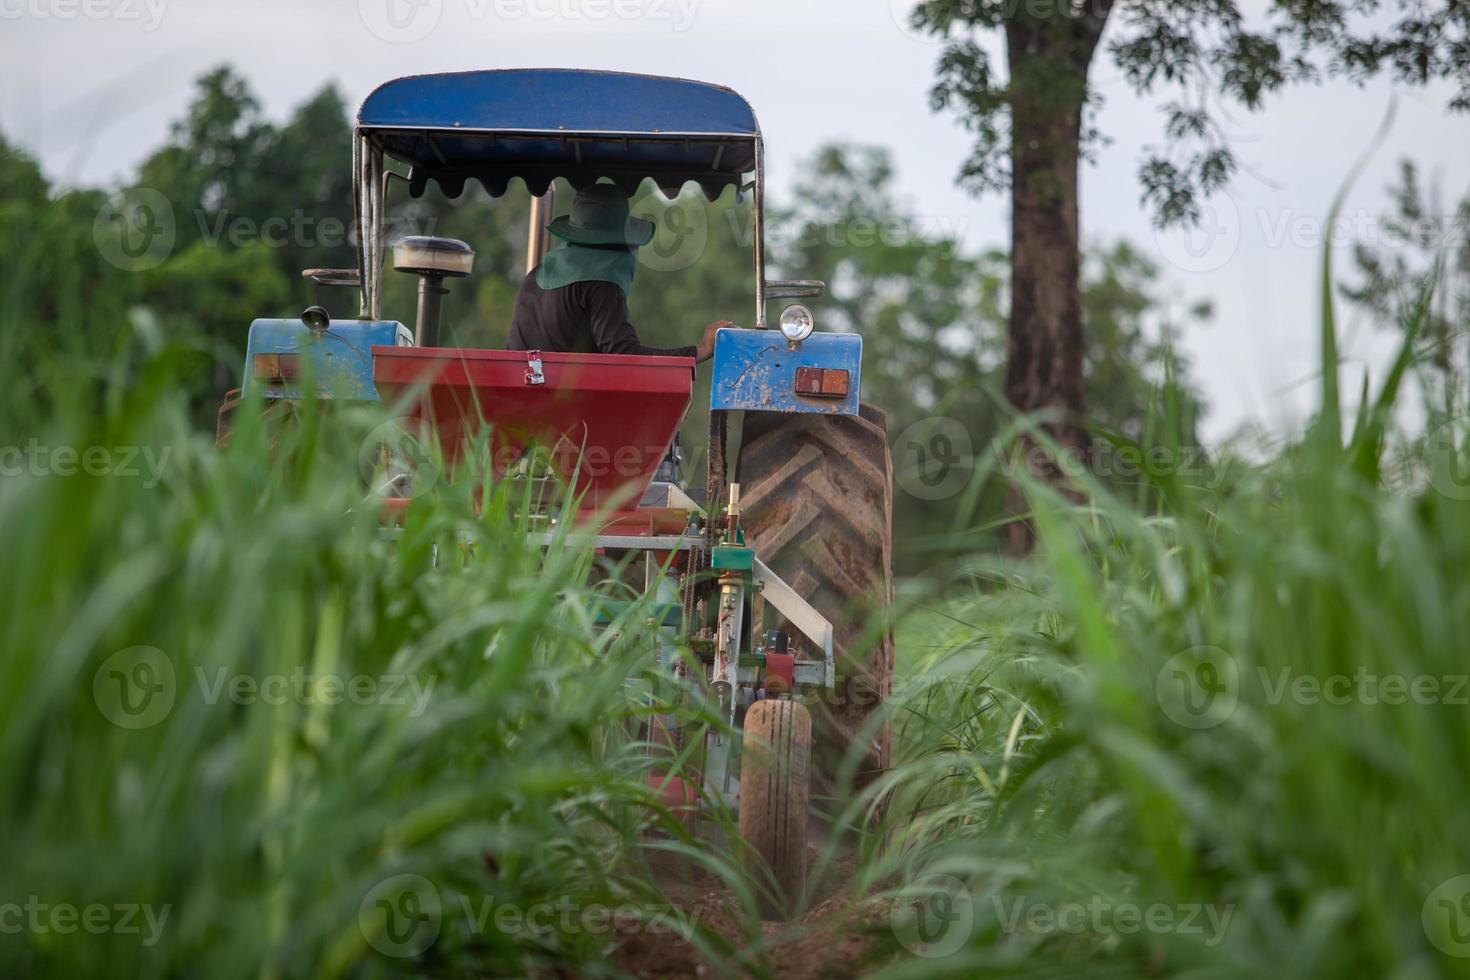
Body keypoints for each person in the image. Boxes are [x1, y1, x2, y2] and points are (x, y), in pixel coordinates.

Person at [508, 184, 731, 361]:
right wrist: (700, 350)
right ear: (618, 244)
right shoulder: (601, 284)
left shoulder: (533, 277)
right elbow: (623, 356)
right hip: (569, 409)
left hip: (520, 403)